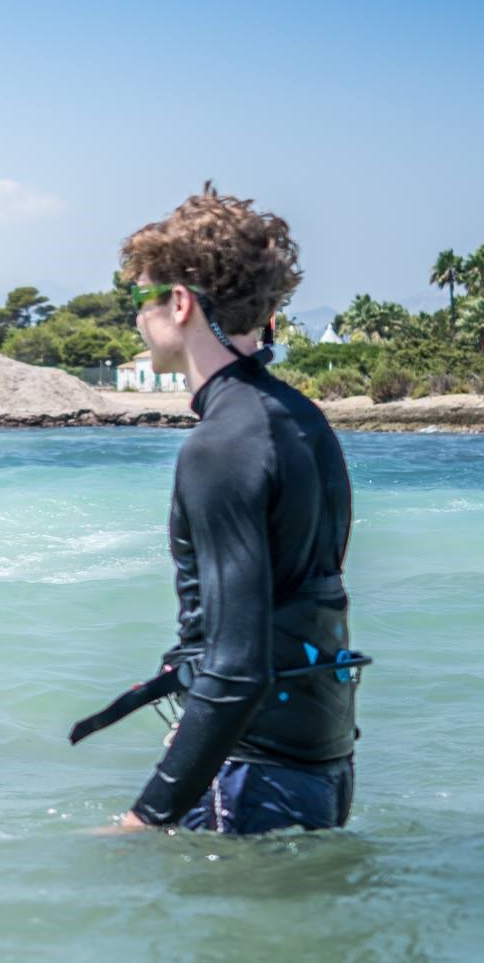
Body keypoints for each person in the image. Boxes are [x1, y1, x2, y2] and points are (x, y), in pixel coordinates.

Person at [81, 184, 364, 835]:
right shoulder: (300, 417)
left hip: (253, 774)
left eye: (139, 298)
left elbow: (238, 669)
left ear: (179, 302)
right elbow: (296, 598)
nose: (134, 318)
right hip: (322, 761)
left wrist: (144, 818)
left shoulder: (221, 445)